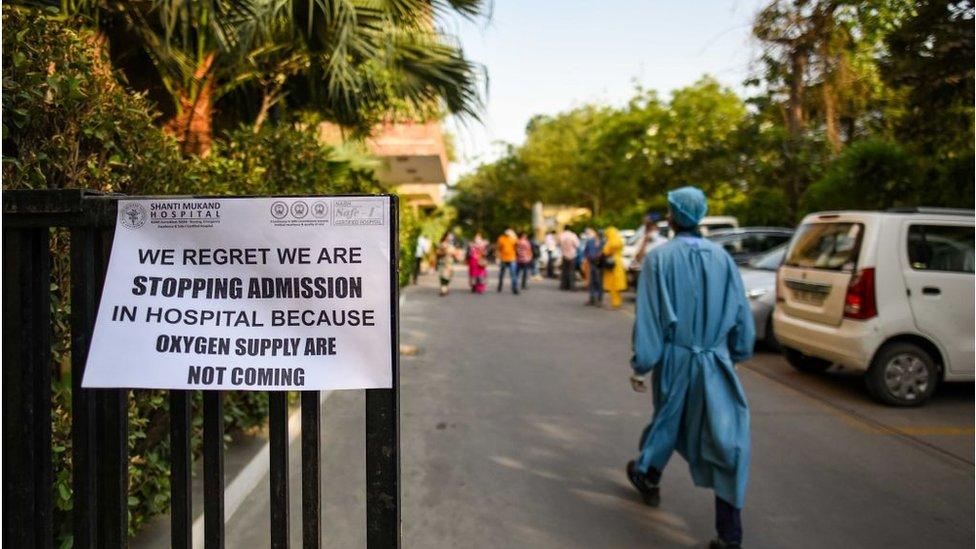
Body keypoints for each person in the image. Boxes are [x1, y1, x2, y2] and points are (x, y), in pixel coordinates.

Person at [626, 186, 755, 549]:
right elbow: (741, 313)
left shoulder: (659, 259)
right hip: (715, 362)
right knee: (727, 441)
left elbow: (649, 319)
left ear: (671, 215)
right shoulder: (723, 259)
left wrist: (641, 364)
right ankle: (730, 534)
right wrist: (738, 352)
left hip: (675, 361)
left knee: (669, 420)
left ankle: (647, 474)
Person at [602, 226, 627, 309]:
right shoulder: (619, 240)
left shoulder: (610, 242)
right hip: (618, 263)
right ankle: (617, 302)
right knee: (617, 284)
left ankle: (614, 303)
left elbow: (605, 252)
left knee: (612, 284)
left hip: (611, 263)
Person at [582, 228, 604, 305]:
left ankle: (599, 299)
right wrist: (587, 257)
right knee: (592, 281)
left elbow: (605, 252)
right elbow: (586, 251)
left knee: (598, 281)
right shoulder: (591, 241)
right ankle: (592, 298)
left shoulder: (603, 241)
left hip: (600, 264)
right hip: (592, 262)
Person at [496, 228, 519, 294]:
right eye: (507, 231)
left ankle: (515, 288)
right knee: (502, 274)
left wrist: (514, 236)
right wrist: (497, 258)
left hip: (512, 258)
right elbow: (498, 248)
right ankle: (500, 286)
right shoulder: (501, 238)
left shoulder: (513, 238)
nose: (508, 233)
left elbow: (517, 246)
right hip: (503, 258)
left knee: (513, 274)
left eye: (509, 231)